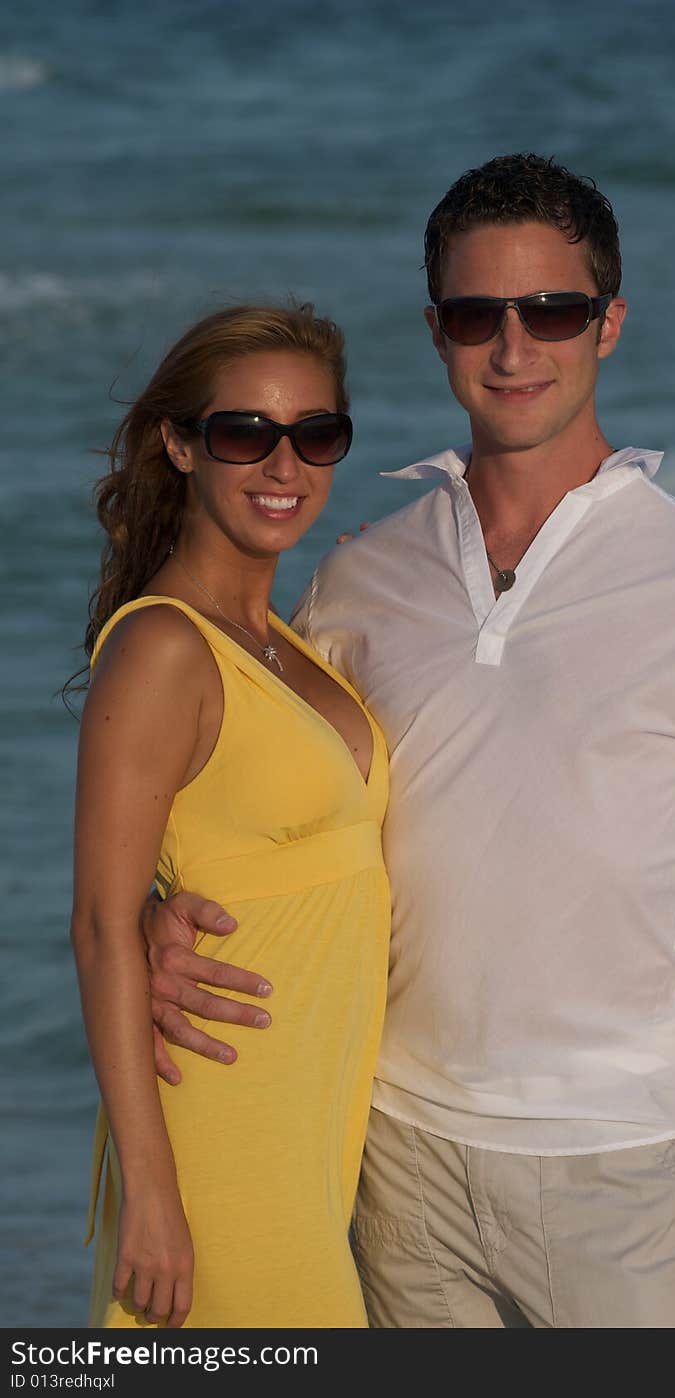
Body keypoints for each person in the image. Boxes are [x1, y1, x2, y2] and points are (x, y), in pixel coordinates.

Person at [142, 155, 675, 1328]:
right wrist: (167, 912)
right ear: (436, 331)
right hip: (394, 1156)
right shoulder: (361, 577)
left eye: (552, 311)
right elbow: (271, 792)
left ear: (607, 324)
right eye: (478, 314)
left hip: (627, 1171)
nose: (514, 348)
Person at [69, 303, 390, 1328]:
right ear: (180, 444)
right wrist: (154, 1204)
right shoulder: (163, 647)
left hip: (311, 1140)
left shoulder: (285, 643)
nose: (281, 463)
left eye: (314, 433)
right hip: (220, 1143)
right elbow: (99, 924)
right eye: (245, 432)